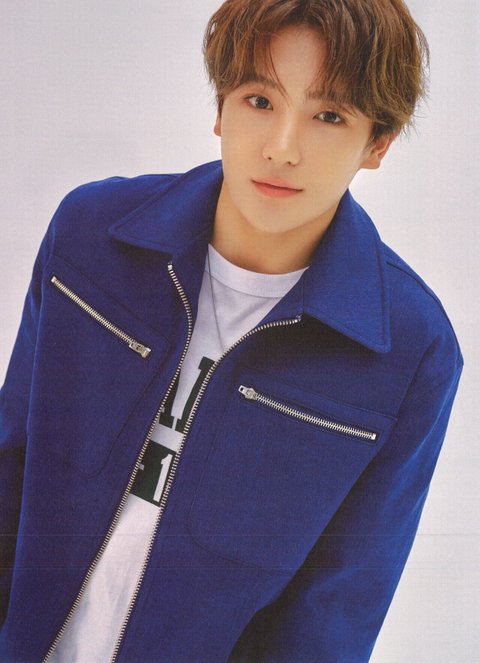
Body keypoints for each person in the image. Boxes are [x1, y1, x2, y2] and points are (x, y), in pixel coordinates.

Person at [0, 0, 463, 661]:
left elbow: (333, 615)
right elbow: (10, 461)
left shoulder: (407, 350)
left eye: (329, 115)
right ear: (221, 108)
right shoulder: (90, 236)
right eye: (260, 101)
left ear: (378, 143)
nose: (282, 147)